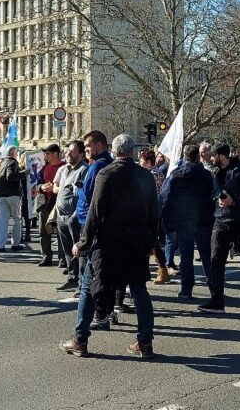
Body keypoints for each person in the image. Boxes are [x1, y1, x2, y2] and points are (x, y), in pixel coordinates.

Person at [61, 134, 160, 359]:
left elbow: (95, 213)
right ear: (133, 151)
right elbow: (155, 213)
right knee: (139, 290)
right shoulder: (145, 176)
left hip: (109, 244)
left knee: (88, 287)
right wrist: (152, 242)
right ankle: (145, 342)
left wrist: (83, 242)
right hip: (136, 243)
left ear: (114, 151)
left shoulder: (106, 174)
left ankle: (80, 339)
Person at [199, 143, 240, 314]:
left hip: (239, 220)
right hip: (220, 219)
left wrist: (234, 200)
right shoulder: (216, 172)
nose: (210, 159)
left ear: (222, 156)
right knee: (216, 260)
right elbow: (214, 191)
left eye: (213, 156)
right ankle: (217, 300)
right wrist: (218, 197)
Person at [160, 145, 215, 301]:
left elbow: (166, 198)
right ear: (197, 156)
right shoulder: (206, 175)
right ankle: (214, 288)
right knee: (207, 256)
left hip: (184, 220)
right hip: (203, 220)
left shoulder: (176, 175)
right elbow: (214, 194)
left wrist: (167, 222)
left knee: (186, 256)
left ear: (185, 156)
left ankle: (186, 289)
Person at [76, 131, 116, 328]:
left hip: (91, 223)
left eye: (88, 147)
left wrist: (78, 190)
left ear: (99, 145)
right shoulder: (108, 164)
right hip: (104, 223)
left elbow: (90, 195)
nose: (86, 151)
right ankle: (109, 309)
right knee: (105, 271)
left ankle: (98, 315)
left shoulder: (99, 166)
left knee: (92, 273)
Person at [53, 140, 90, 292]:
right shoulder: (66, 169)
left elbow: (83, 195)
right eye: (68, 150)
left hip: (74, 217)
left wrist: (75, 215)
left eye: (72, 151)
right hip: (61, 215)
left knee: (79, 250)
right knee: (68, 250)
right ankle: (72, 278)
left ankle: (82, 283)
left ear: (81, 154)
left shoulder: (84, 170)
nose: (68, 153)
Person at [139, 148, 171, 284]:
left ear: (146, 161)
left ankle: (161, 270)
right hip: (156, 208)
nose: (139, 162)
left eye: (141, 160)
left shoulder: (149, 174)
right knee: (152, 241)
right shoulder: (158, 172)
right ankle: (160, 269)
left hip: (150, 209)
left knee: (151, 241)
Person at [37, 144, 64, 266]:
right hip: (44, 204)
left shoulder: (64, 167)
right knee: (44, 232)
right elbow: (37, 184)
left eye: (48, 153)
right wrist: (41, 187)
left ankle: (62, 258)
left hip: (58, 203)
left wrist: (55, 188)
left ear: (55, 154)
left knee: (60, 232)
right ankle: (46, 256)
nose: (45, 156)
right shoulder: (44, 168)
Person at [0, 146, 24, 253]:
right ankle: (15, 244)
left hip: (2, 195)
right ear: (13, 153)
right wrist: (24, 173)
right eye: (16, 153)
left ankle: (0, 245)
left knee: (3, 221)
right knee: (16, 220)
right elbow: (10, 176)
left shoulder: (2, 163)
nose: (17, 155)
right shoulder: (12, 162)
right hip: (13, 195)